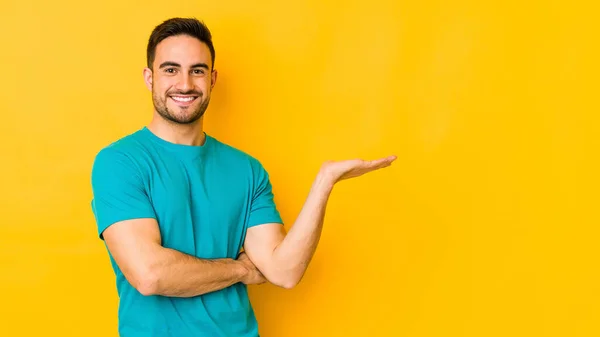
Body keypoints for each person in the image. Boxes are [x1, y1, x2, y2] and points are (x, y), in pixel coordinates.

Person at [90, 17, 396, 337]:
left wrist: (324, 182)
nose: (184, 83)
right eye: (170, 69)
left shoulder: (246, 169)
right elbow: (150, 274)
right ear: (149, 78)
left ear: (213, 79)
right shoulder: (120, 162)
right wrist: (239, 269)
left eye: (197, 70)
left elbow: (284, 271)